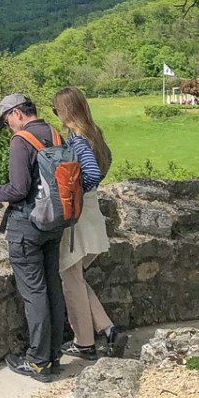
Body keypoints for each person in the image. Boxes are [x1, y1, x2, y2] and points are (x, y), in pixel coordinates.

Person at [0, 92, 67, 381]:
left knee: (34, 294)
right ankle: (54, 354)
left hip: (27, 225)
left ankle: (38, 362)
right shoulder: (55, 135)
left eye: (7, 121)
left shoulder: (21, 142)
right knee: (53, 286)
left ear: (17, 114)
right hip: (55, 221)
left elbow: (18, 189)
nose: (9, 127)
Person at [51, 86, 126, 360]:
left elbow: (92, 172)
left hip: (79, 220)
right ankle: (108, 330)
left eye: (55, 108)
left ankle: (84, 343)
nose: (55, 114)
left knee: (70, 279)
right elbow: (105, 163)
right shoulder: (94, 133)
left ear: (64, 109)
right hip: (93, 216)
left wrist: (74, 193)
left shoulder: (77, 139)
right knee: (76, 278)